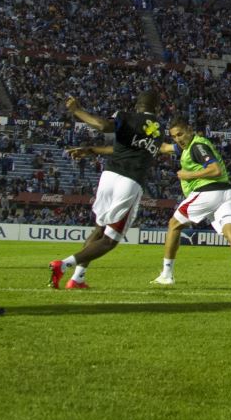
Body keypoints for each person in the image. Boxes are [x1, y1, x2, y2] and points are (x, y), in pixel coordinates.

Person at [50, 91, 165, 290]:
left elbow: (117, 146)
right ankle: (64, 265)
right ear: (157, 108)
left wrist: (92, 149)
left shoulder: (125, 116)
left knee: (100, 228)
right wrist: (77, 110)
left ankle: (77, 279)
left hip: (109, 177)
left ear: (136, 106)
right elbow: (103, 126)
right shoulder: (158, 130)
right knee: (110, 240)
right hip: (130, 182)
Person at [154, 120, 231, 288]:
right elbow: (165, 148)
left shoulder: (197, 146)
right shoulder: (186, 147)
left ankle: (167, 274)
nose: (178, 139)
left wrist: (188, 175)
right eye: (174, 136)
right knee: (230, 231)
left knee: (174, 224)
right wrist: (145, 138)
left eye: (180, 134)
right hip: (229, 193)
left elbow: (215, 169)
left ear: (190, 130)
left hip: (208, 192)